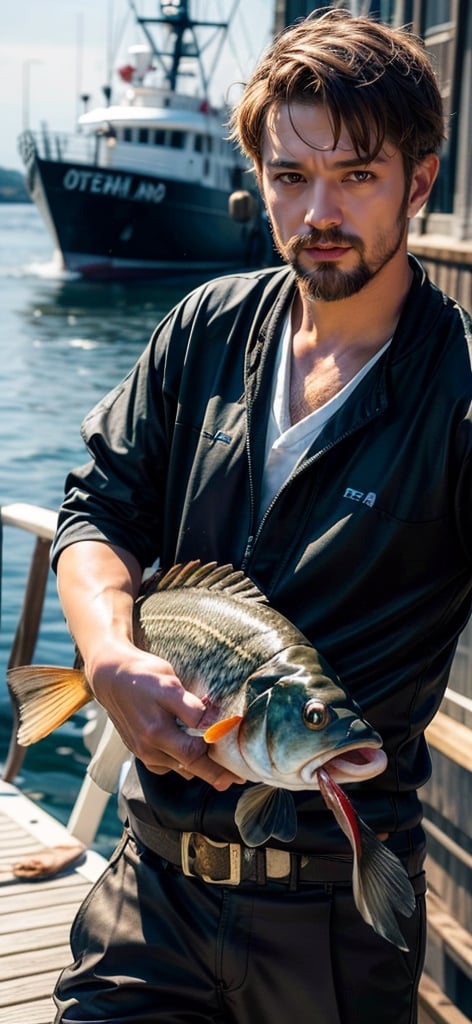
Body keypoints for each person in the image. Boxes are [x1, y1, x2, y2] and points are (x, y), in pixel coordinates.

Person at [51, 9, 471, 1024]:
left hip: (331, 922)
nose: (318, 210)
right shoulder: (203, 325)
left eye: (356, 174)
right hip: (148, 891)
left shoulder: (457, 393)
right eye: (290, 176)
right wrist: (106, 656)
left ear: (418, 180)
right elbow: (98, 505)